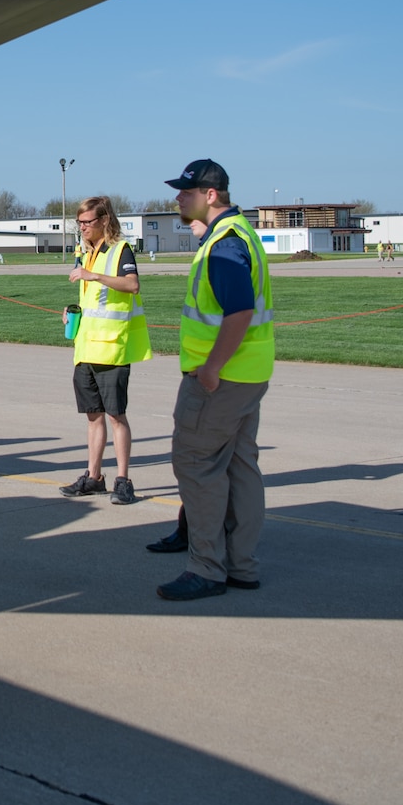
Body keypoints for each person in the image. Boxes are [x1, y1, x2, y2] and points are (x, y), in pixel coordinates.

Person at [151, 158, 274, 601]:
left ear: (210, 195)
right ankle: (242, 565)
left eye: (186, 192)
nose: (178, 198)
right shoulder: (240, 233)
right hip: (250, 374)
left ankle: (207, 567)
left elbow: (238, 311)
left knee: (196, 466)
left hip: (219, 382)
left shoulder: (223, 244)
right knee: (241, 468)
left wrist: (210, 369)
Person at [61, 195, 150, 504]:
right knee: (93, 417)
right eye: (80, 222)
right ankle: (93, 476)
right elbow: (93, 301)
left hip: (112, 348)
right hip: (85, 348)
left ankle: (123, 480)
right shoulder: (87, 253)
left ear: (104, 221)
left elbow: (132, 285)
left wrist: (94, 275)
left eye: (87, 222)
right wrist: (73, 313)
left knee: (116, 416)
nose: (82, 227)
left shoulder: (119, 250)